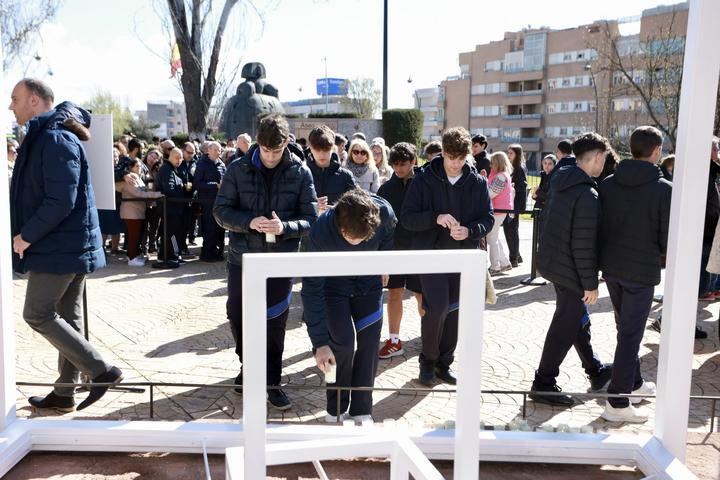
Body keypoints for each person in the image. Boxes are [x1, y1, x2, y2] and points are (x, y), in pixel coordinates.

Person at [8, 78, 123, 412]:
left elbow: (61, 200)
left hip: (59, 249)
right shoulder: (48, 136)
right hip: (66, 247)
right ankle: (64, 393)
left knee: (37, 313)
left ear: (34, 100)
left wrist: (26, 235)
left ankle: (101, 370)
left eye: (15, 98)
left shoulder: (54, 138)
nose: (10, 105)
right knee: (67, 321)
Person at [214, 113, 317, 410]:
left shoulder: (300, 172)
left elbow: (311, 218)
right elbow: (220, 212)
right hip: (242, 258)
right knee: (237, 313)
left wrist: (285, 227)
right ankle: (249, 366)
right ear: (257, 142)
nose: (271, 157)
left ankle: (272, 380)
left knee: (274, 320)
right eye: (266, 150)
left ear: (286, 143)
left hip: (281, 260)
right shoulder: (237, 168)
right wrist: (249, 222)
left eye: (277, 150)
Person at [402, 127, 494, 385]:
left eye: (461, 159)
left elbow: (487, 219)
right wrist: (436, 218)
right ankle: (427, 361)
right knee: (438, 307)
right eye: (451, 158)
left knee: (454, 311)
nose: (455, 165)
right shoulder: (423, 179)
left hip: (463, 258)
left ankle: (445, 362)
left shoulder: (476, 182)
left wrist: (469, 231)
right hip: (431, 256)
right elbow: (407, 218)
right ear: (442, 153)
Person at [531, 132, 612, 406]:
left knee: (573, 318)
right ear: (598, 157)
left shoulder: (561, 179)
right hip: (570, 269)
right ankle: (543, 382)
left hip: (554, 263)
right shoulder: (587, 193)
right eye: (605, 158)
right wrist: (590, 284)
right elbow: (583, 244)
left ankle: (595, 371)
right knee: (566, 323)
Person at [302, 189, 396, 423]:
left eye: (361, 240)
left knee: (369, 344)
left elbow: (389, 236)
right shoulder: (320, 231)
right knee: (341, 345)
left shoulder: (384, 213)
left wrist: (385, 262)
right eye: (349, 237)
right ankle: (335, 408)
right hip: (332, 289)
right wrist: (320, 343)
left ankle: (362, 409)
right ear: (338, 222)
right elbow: (311, 290)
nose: (355, 243)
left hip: (368, 285)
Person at [598, 126, 672, 423]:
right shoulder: (663, 188)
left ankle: (636, 384)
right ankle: (617, 402)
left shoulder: (608, 184)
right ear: (656, 151)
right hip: (641, 271)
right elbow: (667, 237)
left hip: (613, 268)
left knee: (625, 330)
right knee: (630, 334)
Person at [377, 142, 424, 359]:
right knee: (394, 293)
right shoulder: (386, 188)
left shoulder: (424, 183)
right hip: (394, 250)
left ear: (413, 161)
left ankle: (429, 337)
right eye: (395, 164)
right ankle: (394, 340)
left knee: (421, 295)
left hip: (418, 249)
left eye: (403, 164)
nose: (399, 169)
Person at [119, 159, 163, 266]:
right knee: (133, 236)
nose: (139, 168)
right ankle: (132, 258)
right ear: (130, 168)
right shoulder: (131, 178)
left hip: (138, 212)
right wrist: (158, 195)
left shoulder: (139, 178)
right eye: (136, 166)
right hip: (131, 212)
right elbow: (139, 194)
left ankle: (134, 255)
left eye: (140, 166)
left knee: (137, 236)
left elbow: (145, 192)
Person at [306, 125, 356, 214]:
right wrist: (312, 205)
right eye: (317, 150)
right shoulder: (301, 174)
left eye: (325, 150)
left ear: (333, 147)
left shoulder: (345, 176)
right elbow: (291, 205)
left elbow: (356, 205)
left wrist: (337, 208)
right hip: (310, 226)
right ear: (310, 148)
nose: (321, 155)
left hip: (336, 225)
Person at [155, 147, 187, 268]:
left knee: (171, 234)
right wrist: (182, 189)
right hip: (169, 209)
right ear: (170, 157)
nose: (179, 160)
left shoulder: (171, 169)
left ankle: (171, 256)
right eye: (176, 157)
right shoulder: (167, 170)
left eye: (181, 158)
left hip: (173, 209)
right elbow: (169, 189)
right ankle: (169, 257)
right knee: (170, 234)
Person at [195, 141, 227, 262]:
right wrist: (215, 185)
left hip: (221, 201)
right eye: (215, 150)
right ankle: (207, 253)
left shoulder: (222, 164)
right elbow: (197, 183)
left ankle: (219, 252)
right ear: (208, 150)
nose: (218, 152)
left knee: (220, 228)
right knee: (209, 228)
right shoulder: (202, 164)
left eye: (219, 150)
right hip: (207, 201)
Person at [486, 152, 514, 273]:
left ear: (498, 162)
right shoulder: (500, 175)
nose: (490, 165)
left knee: (491, 239)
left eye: (492, 162)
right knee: (494, 237)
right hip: (498, 210)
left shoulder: (501, 177)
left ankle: (495, 266)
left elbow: (491, 193)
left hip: (498, 210)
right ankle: (504, 263)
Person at [504, 144, 528, 267]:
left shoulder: (519, 168)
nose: (509, 155)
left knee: (511, 231)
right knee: (509, 230)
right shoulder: (511, 167)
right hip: (510, 204)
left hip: (515, 205)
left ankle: (513, 258)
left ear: (517, 154)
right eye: (508, 153)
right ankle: (517, 255)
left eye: (511, 153)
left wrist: (512, 185)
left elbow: (523, 185)